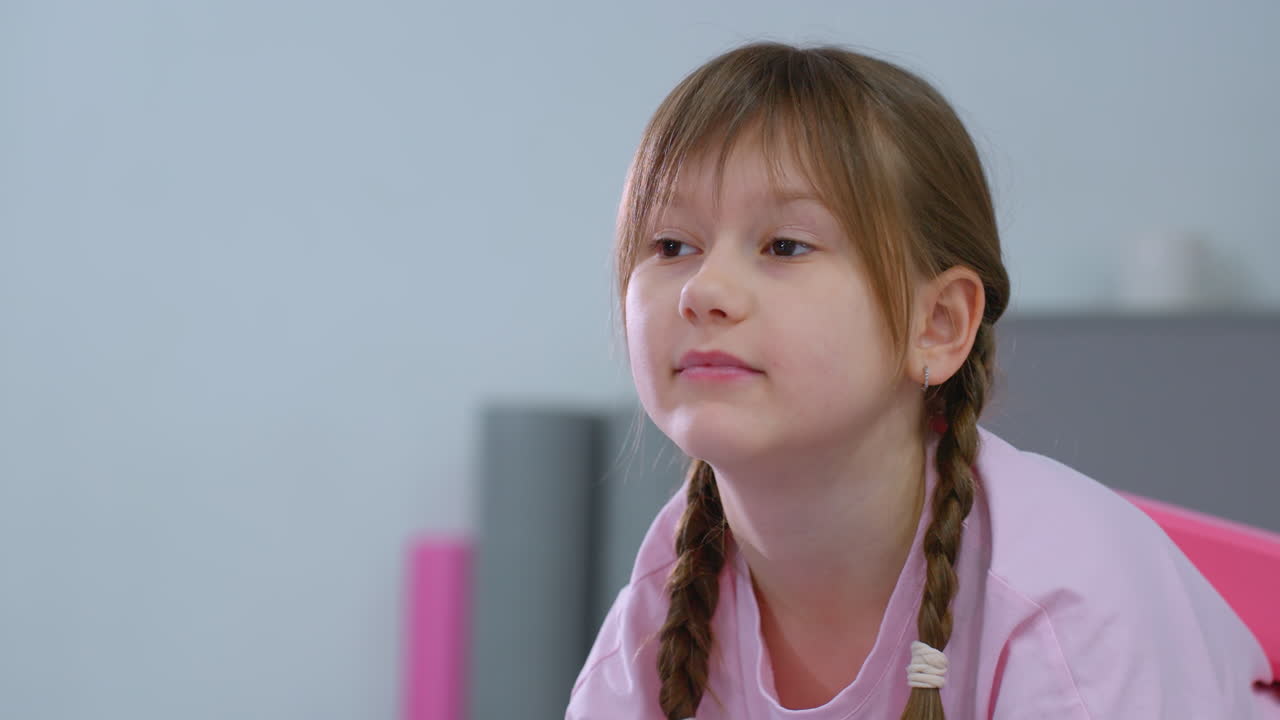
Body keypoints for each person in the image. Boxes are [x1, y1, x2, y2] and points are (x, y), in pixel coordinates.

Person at [565, 41, 1279, 719]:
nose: (703, 290)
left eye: (785, 245)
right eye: (671, 245)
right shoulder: (663, 609)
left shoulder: (1067, 613)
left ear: (938, 324)